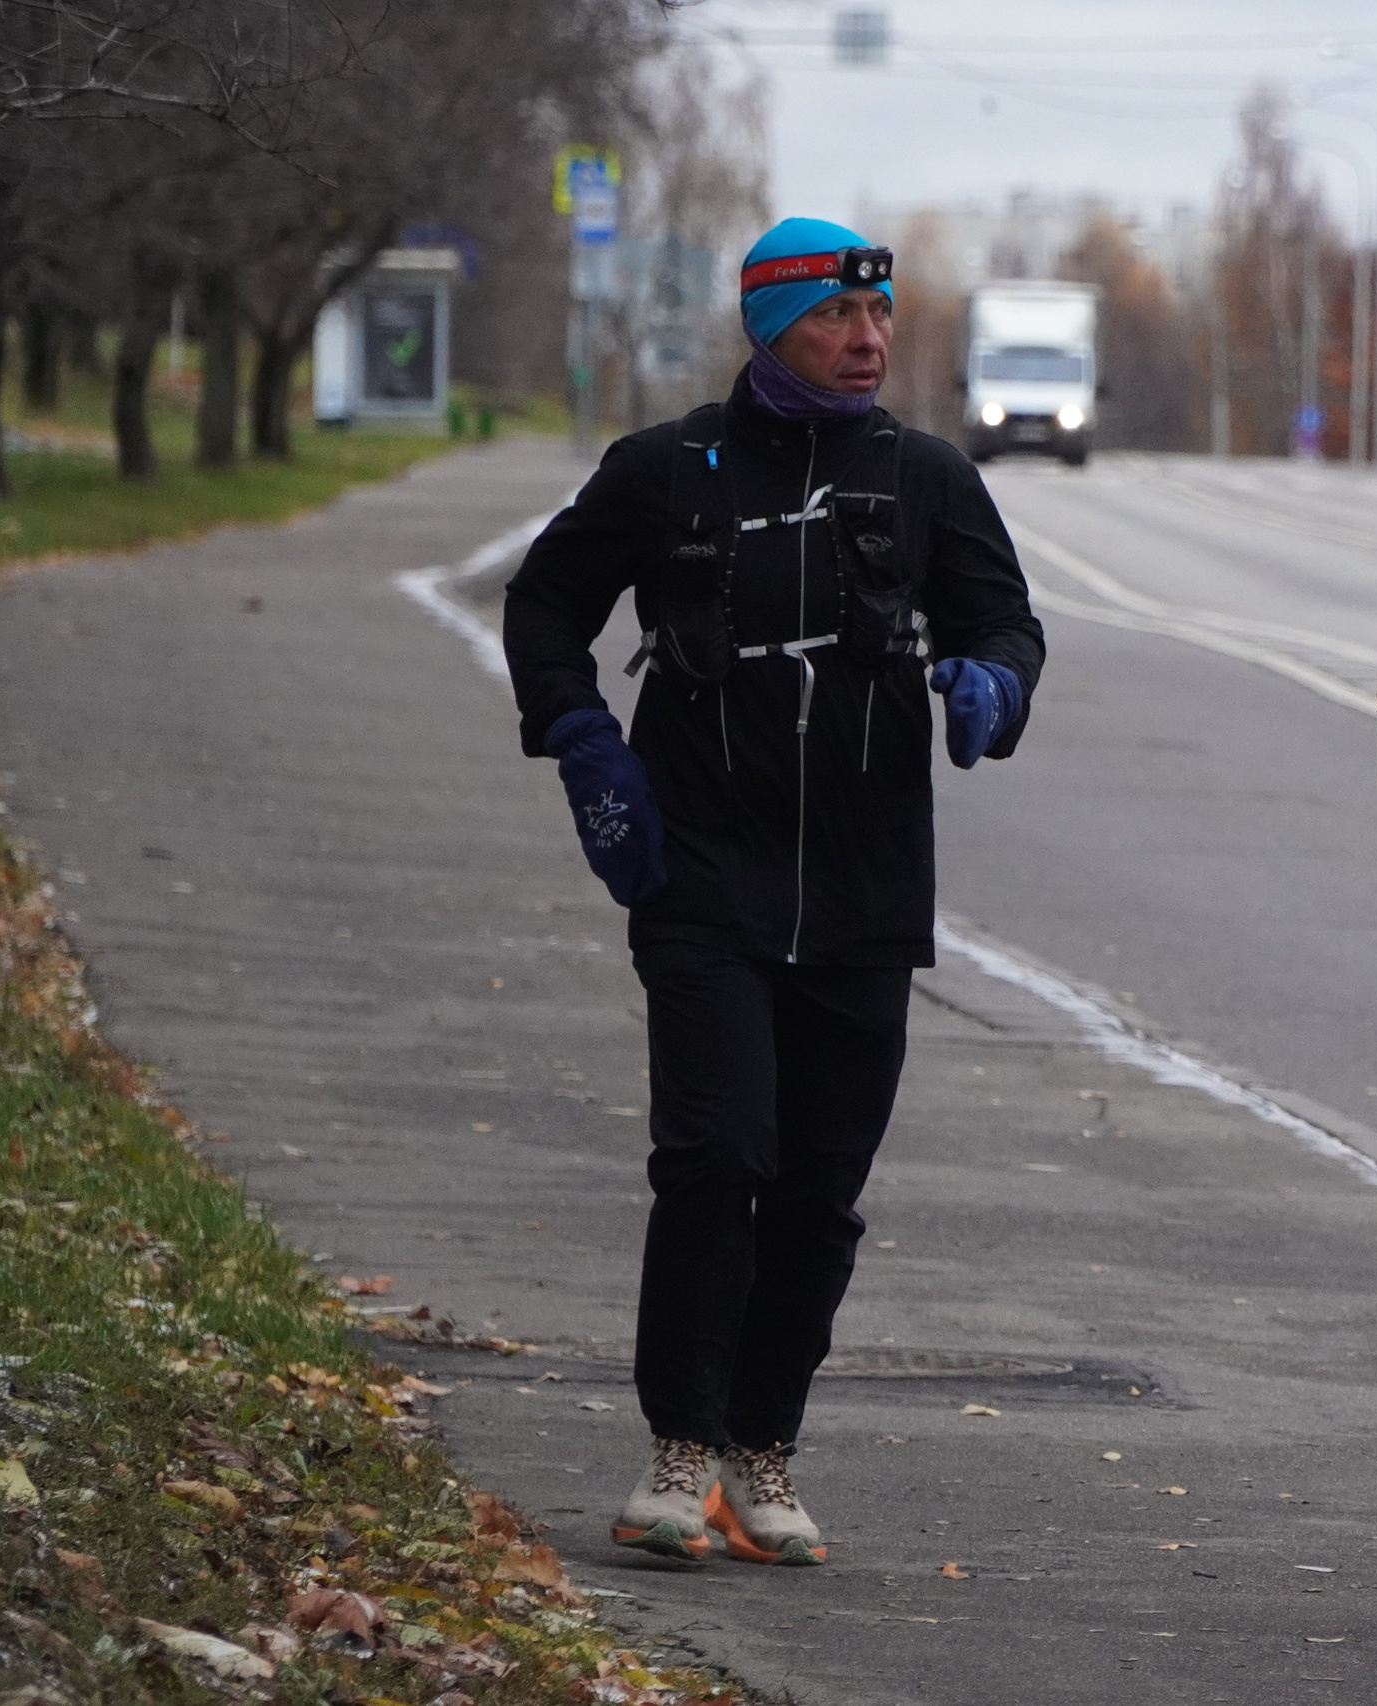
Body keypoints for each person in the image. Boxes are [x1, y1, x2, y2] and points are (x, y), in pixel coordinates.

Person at [503, 217, 1045, 1568]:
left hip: (865, 893)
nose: (868, 344)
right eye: (836, 321)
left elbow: (1006, 622)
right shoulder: (663, 471)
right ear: (772, 326)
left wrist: (996, 684)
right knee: (715, 1156)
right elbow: (544, 606)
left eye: (881, 323)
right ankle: (678, 1447)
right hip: (699, 874)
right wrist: (580, 737)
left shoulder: (923, 477)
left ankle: (763, 1449)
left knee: (817, 1189)